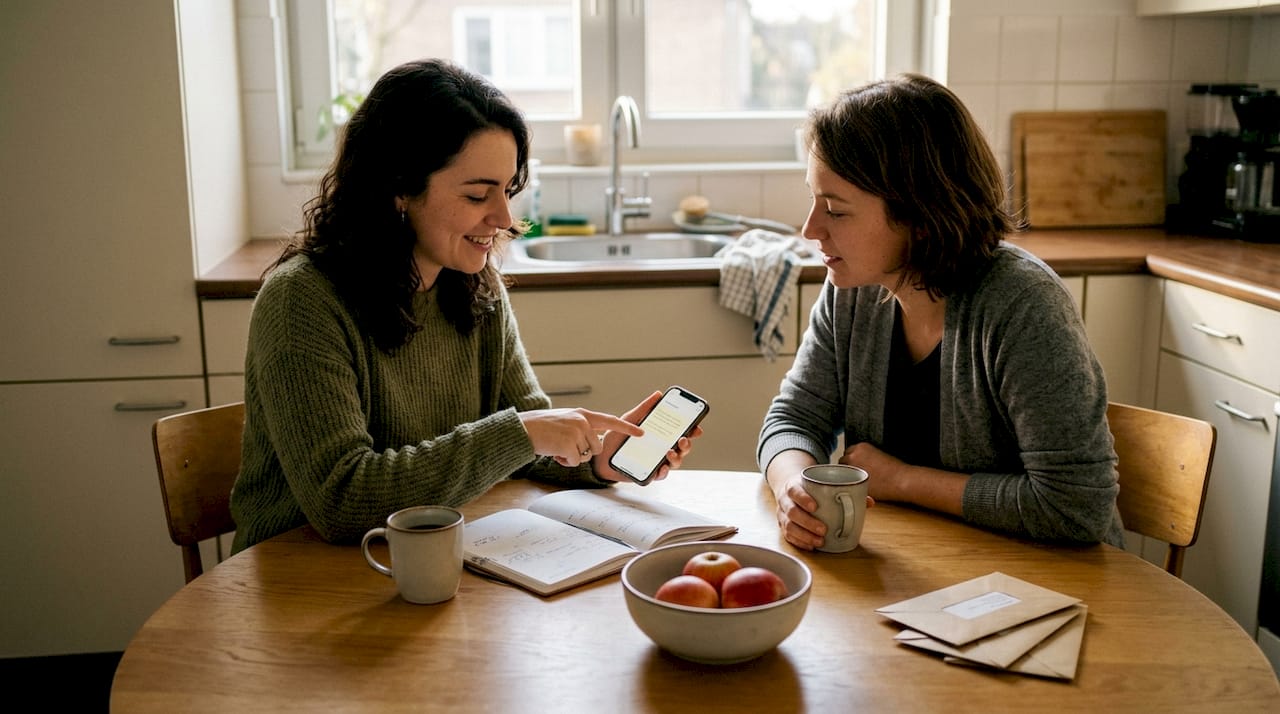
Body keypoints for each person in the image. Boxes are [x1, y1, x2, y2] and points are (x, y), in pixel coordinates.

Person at [230, 59, 698, 552]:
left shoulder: (475, 286)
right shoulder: (301, 301)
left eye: (508, 189)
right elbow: (344, 501)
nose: (503, 217)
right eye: (478, 194)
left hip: (427, 559)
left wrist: (598, 457)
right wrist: (522, 432)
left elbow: (524, 441)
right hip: (296, 579)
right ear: (399, 189)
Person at [760, 73, 1123, 551]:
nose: (810, 229)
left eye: (836, 210)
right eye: (814, 200)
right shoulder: (852, 287)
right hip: (928, 569)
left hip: (1052, 587)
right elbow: (794, 418)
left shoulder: (1023, 304)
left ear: (920, 216)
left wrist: (903, 480)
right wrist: (793, 485)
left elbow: (1076, 507)